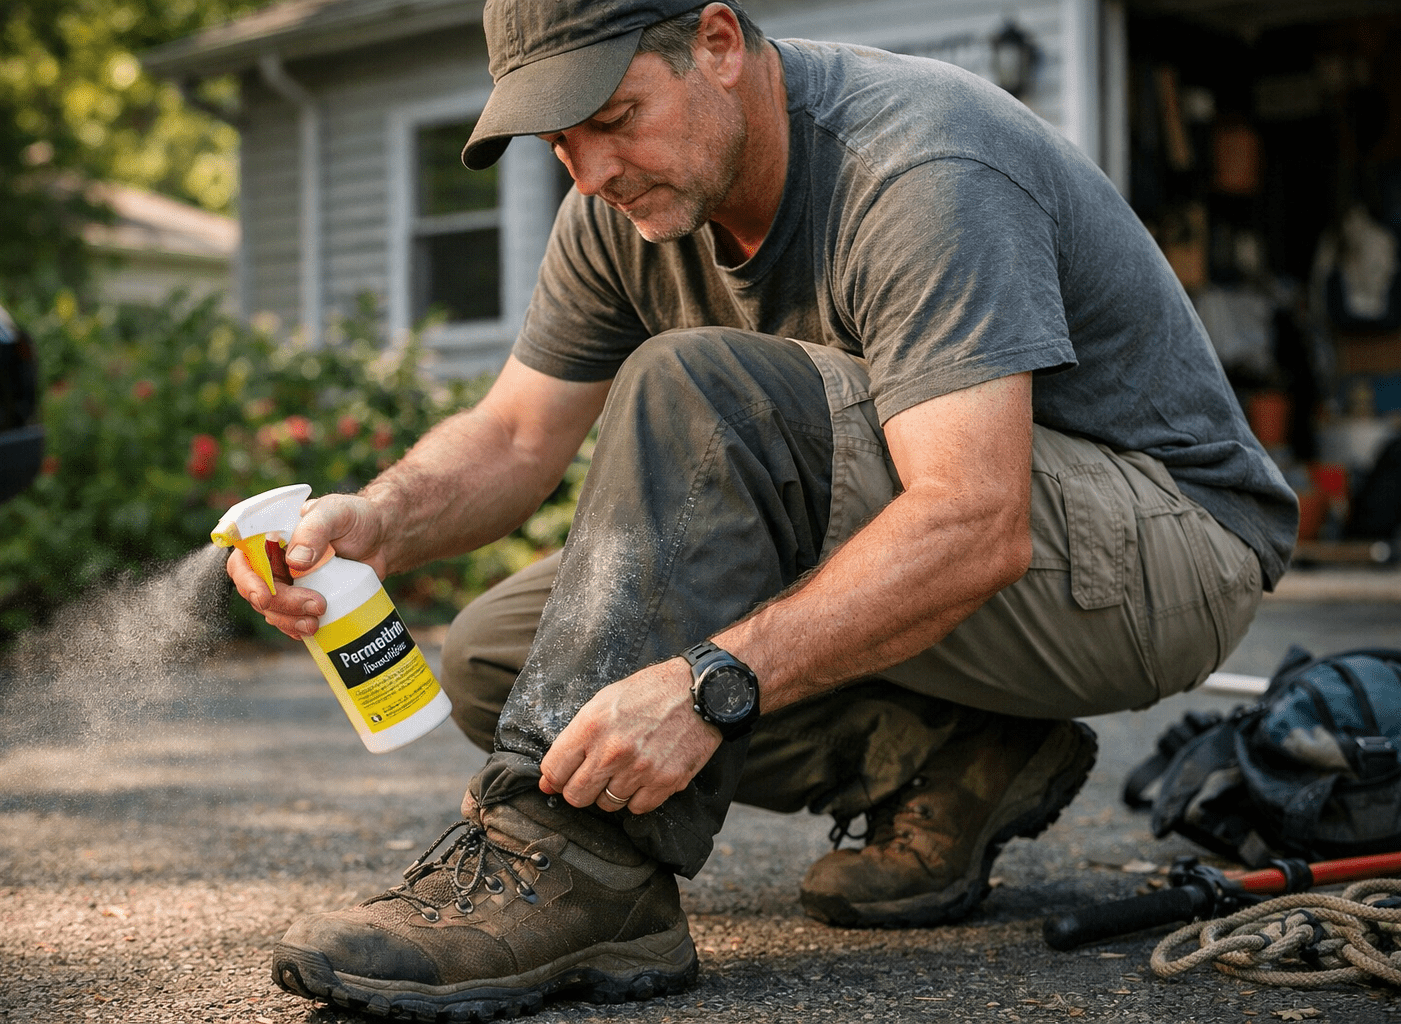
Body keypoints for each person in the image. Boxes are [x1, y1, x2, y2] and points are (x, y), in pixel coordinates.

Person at [228, 1, 1299, 1017]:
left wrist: (708, 686)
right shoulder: (622, 211)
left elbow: (975, 518)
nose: (592, 170)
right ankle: (947, 755)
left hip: (1165, 551)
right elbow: (514, 438)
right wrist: (377, 517)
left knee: (704, 388)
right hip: (995, 551)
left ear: (719, 42)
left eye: (614, 117)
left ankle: (581, 870)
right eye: (561, 142)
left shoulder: (919, 163)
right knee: (504, 657)